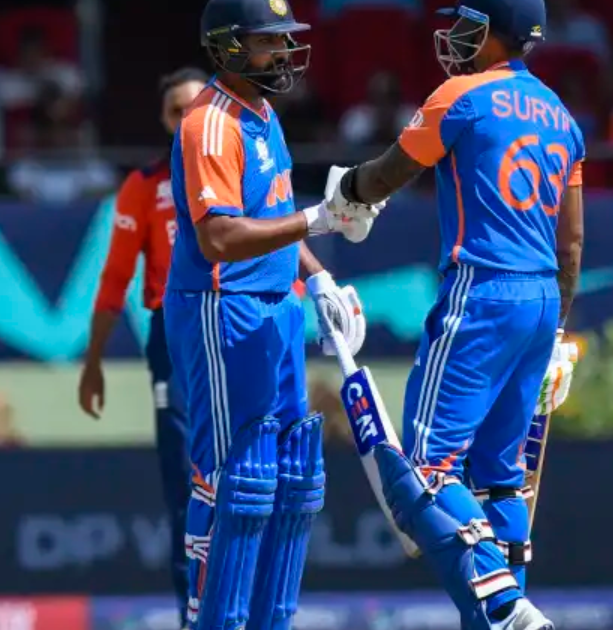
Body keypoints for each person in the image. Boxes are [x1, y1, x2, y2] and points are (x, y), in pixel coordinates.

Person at [323, 0, 583, 628]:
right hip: (542, 298)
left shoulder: (460, 95)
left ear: (499, 33)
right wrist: (557, 332)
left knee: (427, 468)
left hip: (482, 290)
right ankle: (508, 616)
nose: (457, 37)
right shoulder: (562, 115)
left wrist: (346, 192)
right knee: (500, 476)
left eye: (470, 26)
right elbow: (571, 244)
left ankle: (504, 606)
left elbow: (388, 175)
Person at [166, 2, 380, 630]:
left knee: (291, 476)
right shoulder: (209, 123)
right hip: (223, 308)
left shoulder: (263, 114)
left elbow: (276, 215)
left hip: (278, 305)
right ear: (228, 46)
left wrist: (318, 277)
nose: (283, 53)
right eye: (269, 41)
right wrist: (319, 218)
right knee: (234, 477)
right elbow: (220, 238)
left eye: (285, 39)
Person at [78, 66, 209, 630]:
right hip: (172, 337)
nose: (186, 120)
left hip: (232, 330)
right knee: (183, 484)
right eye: (176, 111)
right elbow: (114, 279)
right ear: (163, 119)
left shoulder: (241, 172)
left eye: (195, 107)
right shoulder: (144, 186)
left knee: (244, 475)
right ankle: (192, 617)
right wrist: (93, 362)